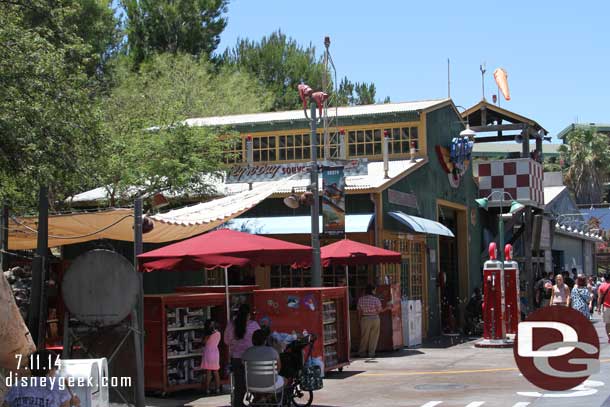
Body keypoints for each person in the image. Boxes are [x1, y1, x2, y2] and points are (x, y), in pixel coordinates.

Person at [5, 350, 80, 407]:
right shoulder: (59, 389)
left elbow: (5, 405)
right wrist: (73, 404)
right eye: (56, 369)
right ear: (51, 369)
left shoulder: (17, 386)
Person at [224, 304, 260, 407]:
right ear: (248, 315)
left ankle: (238, 403)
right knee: (254, 381)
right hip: (251, 358)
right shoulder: (254, 325)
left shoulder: (231, 325)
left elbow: (226, 341)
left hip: (236, 358)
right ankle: (258, 400)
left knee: (239, 383)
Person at [242, 329, 284, 396]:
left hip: (250, 385)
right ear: (265, 340)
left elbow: (243, 366)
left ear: (253, 340)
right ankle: (270, 398)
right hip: (270, 385)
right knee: (285, 380)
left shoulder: (247, 352)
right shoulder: (273, 351)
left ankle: (260, 397)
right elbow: (278, 368)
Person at [357, 284, 389, 359]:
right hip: (375, 318)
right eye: (374, 290)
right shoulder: (376, 299)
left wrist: (359, 321)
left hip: (365, 318)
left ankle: (362, 352)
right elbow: (380, 310)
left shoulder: (361, 299)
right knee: (374, 337)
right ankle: (371, 353)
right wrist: (387, 308)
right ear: (372, 290)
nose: (375, 291)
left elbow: (359, 312)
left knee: (364, 336)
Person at [201, 319, 221, 395]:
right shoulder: (218, 333)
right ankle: (218, 388)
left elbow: (204, 342)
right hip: (216, 352)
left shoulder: (208, 335)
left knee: (208, 372)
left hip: (208, 352)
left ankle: (207, 389)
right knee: (216, 371)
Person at [596, 272, 610, 344]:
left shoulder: (601, 286)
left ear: (604, 278)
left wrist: (598, 308)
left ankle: (609, 337)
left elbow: (599, 298)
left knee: (607, 323)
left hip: (606, 307)